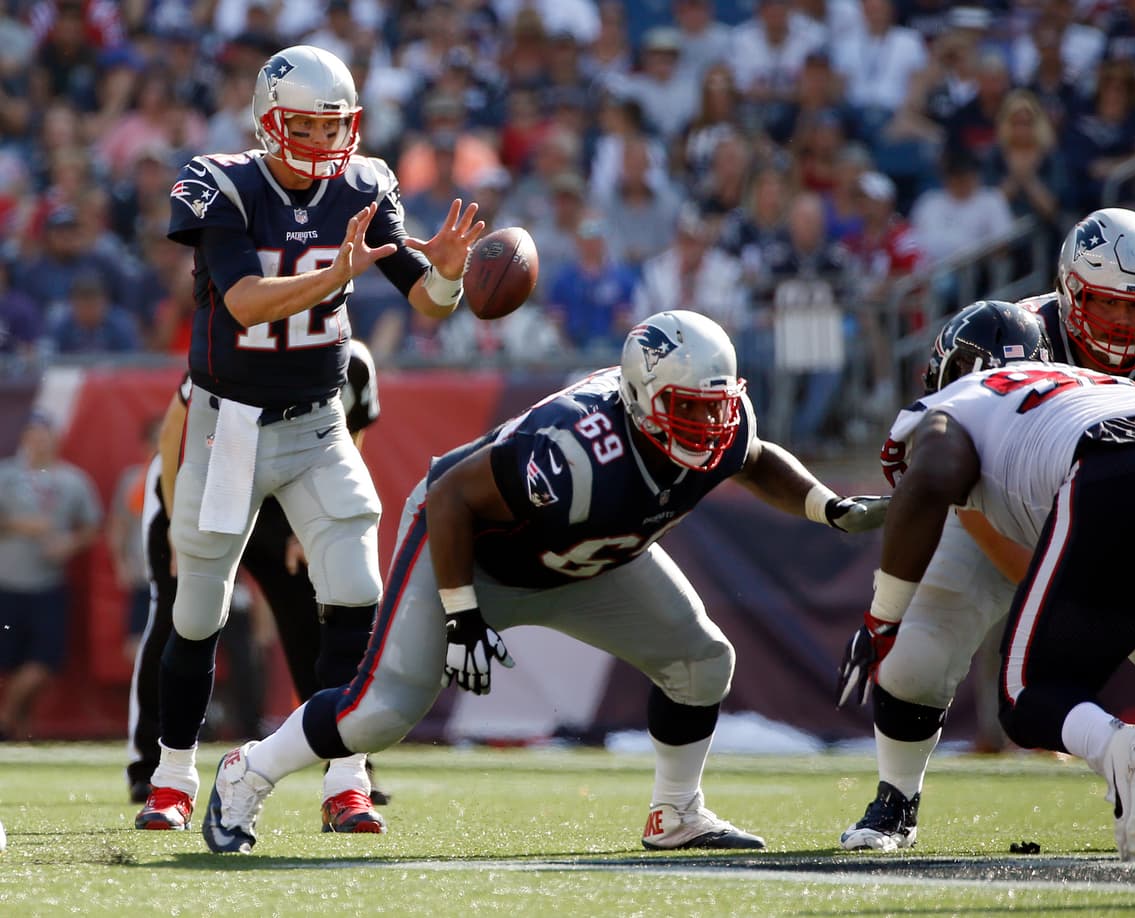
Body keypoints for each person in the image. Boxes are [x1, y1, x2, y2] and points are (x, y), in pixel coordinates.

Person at [200, 309, 890, 854]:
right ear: (644, 397)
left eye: (714, 407)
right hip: (475, 557)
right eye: (688, 408)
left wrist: (825, 505)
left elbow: (754, 457)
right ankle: (250, 772)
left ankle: (676, 813)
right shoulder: (576, 451)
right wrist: (463, 613)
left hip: (590, 564)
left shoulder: (720, 423)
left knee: (701, 661)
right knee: (378, 713)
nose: (708, 426)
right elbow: (451, 498)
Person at [839, 209, 1135, 854]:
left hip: (1115, 496)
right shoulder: (1013, 335)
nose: (1127, 324)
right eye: (1108, 305)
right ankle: (895, 802)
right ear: (1069, 291)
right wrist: (1045, 583)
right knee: (921, 646)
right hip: (1004, 503)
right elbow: (957, 492)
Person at [135, 44, 484, 834]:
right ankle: (172, 776)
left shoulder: (366, 185)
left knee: (357, 589)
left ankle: (347, 778)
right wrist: (338, 272)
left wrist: (451, 276)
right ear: (266, 122)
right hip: (228, 428)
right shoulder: (221, 183)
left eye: (336, 127)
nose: (326, 144)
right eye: (305, 125)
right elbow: (249, 303)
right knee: (199, 611)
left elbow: (427, 305)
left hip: (319, 424)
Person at [127, 341, 384, 806]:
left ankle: (345, 762)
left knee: (317, 619)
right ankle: (153, 765)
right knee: (181, 617)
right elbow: (175, 432)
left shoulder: (355, 362)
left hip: (290, 493)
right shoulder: (237, 346)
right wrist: (170, 519)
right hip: (206, 478)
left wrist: (308, 524)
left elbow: (352, 435)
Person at [0, 412, 102, 740]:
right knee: (12, 661)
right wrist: (18, 525)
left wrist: (68, 544)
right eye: (32, 435)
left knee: (43, 662)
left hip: (48, 586)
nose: (38, 442)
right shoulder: (6, 476)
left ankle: (6, 718)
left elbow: (91, 526)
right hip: (8, 584)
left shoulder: (73, 480)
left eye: (43, 435)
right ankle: (20, 732)